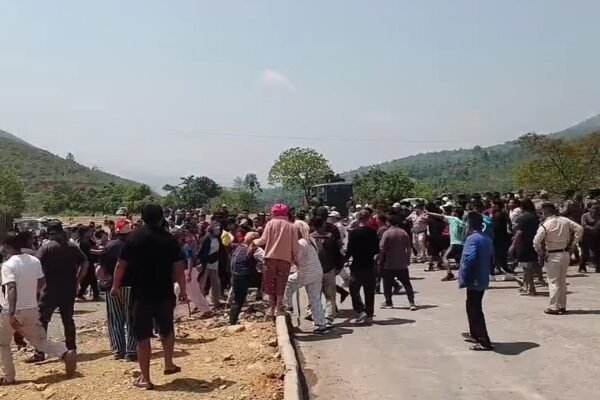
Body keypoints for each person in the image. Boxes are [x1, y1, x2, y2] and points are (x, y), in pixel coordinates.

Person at [111, 204, 187, 390]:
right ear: (161, 218)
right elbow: (179, 268)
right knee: (167, 329)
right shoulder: (169, 239)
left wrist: (115, 286)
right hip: (164, 292)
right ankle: (168, 363)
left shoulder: (134, 238)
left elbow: (121, 265)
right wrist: (183, 290)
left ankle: (145, 378)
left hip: (140, 294)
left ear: (142, 218)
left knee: (142, 336)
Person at [0, 233, 77, 384]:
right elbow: (42, 281)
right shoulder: (34, 260)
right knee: (39, 341)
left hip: (13, 310)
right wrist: (32, 293)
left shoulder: (8, 265)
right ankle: (64, 353)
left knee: (2, 344)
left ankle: (8, 377)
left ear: (8, 246)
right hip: (31, 308)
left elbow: (11, 288)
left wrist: (12, 312)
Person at [31, 222, 88, 363]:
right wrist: (77, 280)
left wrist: (37, 285)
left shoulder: (46, 247)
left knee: (42, 320)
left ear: (51, 233)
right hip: (68, 289)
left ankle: (39, 352)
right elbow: (85, 262)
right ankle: (71, 348)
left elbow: (35, 264)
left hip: (49, 290)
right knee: (68, 320)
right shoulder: (72, 247)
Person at [98, 219, 137, 361]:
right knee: (132, 318)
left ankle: (118, 350)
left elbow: (102, 267)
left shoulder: (109, 246)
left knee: (115, 318)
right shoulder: (135, 246)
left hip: (112, 287)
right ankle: (131, 351)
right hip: (132, 286)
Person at [533, 202, 583, 315]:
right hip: (565, 253)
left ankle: (553, 307)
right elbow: (579, 228)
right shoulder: (564, 220)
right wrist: (573, 244)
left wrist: (540, 252)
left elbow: (536, 241)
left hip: (552, 254)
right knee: (562, 281)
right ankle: (562, 305)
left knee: (553, 282)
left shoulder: (546, 224)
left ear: (545, 211)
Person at [254, 203, 299, 319]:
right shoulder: (291, 226)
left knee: (270, 284)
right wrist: (295, 259)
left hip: (270, 259)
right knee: (281, 284)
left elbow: (263, 240)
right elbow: (295, 246)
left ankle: (271, 308)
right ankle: (279, 308)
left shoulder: (270, 224)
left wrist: (253, 242)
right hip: (285, 260)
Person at [284, 221, 330, 333]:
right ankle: (321, 324)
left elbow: (297, 258)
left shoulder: (301, 243)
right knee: (315, 299)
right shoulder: (310, 240)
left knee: (288, 283)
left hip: (306, 273)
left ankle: (288, 306)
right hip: (317, 271)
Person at [459, 212, 494, 351]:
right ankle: (474, 334)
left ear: (470, 224)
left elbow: (469, 259)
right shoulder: (486, 237)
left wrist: (464, 277)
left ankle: (484, 341)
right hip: (482, 277)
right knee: (471, 305)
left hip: (474, 278)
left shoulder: (472, 239)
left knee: (475, 309)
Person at [345, 210, 379, 324]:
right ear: (368, 218)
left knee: (353, 289)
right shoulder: (372, 232)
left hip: (357, 265)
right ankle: (369, 314)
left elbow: (349, 250)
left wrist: (344, 259)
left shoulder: (354, 233)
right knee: (369, 291)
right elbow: (376, 249)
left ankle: (360, 309)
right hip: (369, 264)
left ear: (358, 218)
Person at [379, 214, 416, 310]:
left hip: (389, 263)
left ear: (389, 222)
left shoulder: (387, 233)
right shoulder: (403, 233)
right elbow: (408, 248)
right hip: (401, 263)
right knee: (407, 283)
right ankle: (411, 302)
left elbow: (382, 248)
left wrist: (380, 261)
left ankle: (389, 302)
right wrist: (407, 259)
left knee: (387, 284)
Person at [310, 216, 343, 323]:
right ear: (324, 224)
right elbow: (336, 253)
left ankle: (316, 316)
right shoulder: (330, 237)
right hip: (329, 269)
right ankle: (329, 317)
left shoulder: (310, 238)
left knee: (316, 295)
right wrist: (339, 266)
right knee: (330, 295)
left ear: (313, 226)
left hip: (315, 270)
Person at [228, 232, 262, 325]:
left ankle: (231, 320)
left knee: (237, 300)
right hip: (245, 277)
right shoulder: (255, 250)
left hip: (235, 276)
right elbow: (265, 259)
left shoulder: (238, 247)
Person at [509, 199, 540, 296]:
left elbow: (519, 232)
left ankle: (531, 288)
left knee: (526, 268)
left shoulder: (523, 218)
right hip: (533, 243)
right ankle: (526, 286)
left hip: (523, 244)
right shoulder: (535, 217)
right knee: (530, 266)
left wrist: (513, 245)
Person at [427, 206, 466, 281]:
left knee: (444, 257)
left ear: (456, 213)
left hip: (454, 243)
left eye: (453, 212)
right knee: (461, 260)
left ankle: (449, 274)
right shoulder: (462, 222)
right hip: (462, 243)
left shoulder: (453, 219)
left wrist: (429, 213)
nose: (452, 213)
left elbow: (440, 216)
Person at [198, 222, 225, 308]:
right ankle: (201, 303)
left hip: (214, 262)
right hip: (206, 263)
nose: (218, 231)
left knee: (216, 282)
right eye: (216, 229)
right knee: (202, 283)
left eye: (219, 229)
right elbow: (201, 251)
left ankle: (216, 301)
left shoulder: (218, 238)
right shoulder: (206, 238)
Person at [580, 203, 600, 273]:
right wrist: (592, 229)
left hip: (596, 236)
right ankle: (582, 267)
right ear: (589, 209)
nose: (595, 210)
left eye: (596, 208)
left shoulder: (598, 216)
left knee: (597, 252)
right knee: (585, 253)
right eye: (593, 208)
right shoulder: (585, 215)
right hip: (586, 236)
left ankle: (598, 267)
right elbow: (584, 225)